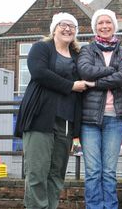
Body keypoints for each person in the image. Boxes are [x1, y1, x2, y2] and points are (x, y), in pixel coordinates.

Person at [14, 12, 86, 209]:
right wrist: (71, 85)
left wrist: (76, 131)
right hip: (39, 118)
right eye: (63, 24)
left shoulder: (78, 56)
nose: (67, 29)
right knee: (37, 172)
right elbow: (40, 73)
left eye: (72, 26)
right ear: (54, 28)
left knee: (56, 174)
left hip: (65, 122)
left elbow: (83, 92)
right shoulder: (41, 48)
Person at [77, 9, 122, 208]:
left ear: (114, 25)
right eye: (100, 23)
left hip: (115, 118)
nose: (104, 26)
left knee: (109, 171)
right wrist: (111, 71)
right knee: (93, 171)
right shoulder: (87, 50)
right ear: (95, 27)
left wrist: (94, 82)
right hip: (89, 120)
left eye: (108, 22)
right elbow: (85, 70)